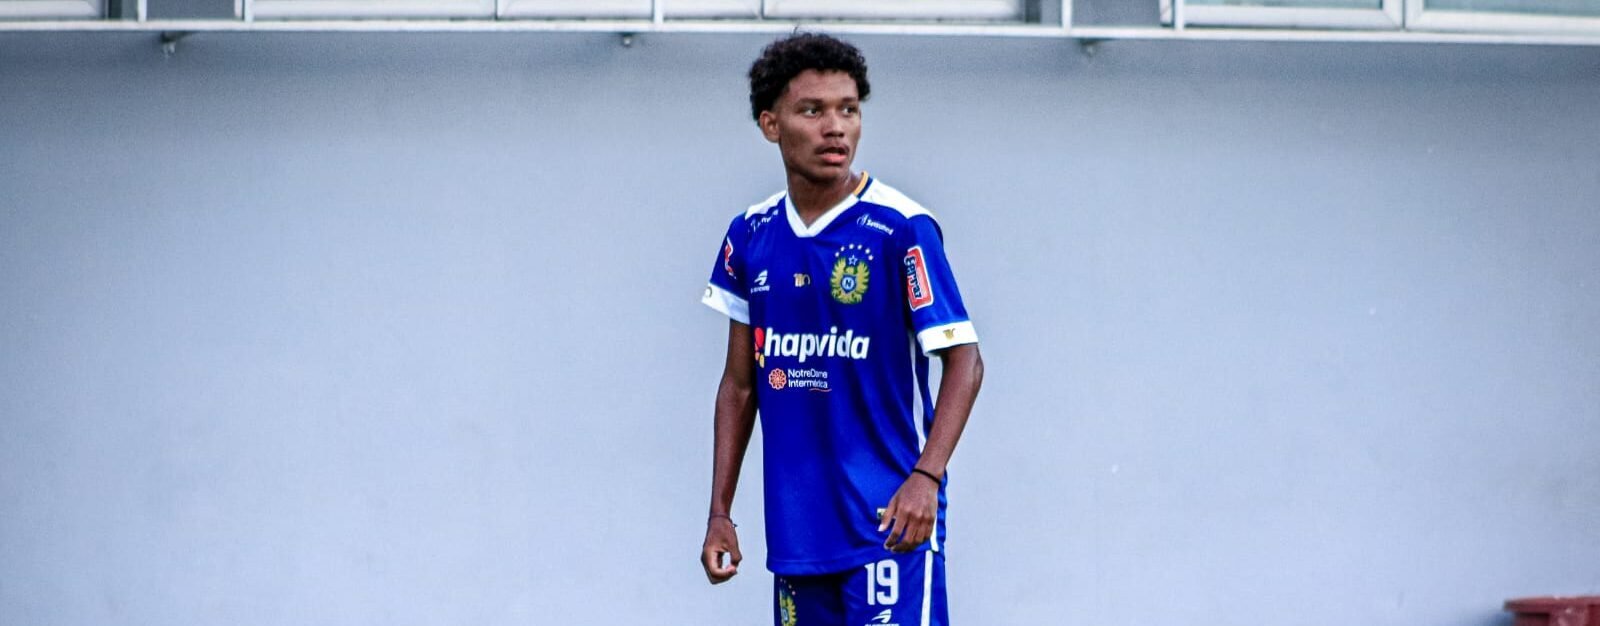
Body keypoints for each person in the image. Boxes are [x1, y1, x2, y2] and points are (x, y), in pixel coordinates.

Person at [698, 33, 984, 626]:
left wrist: (926, 478)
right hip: (798, 537)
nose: (836, 128)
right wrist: (719, 511)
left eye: (848, 110)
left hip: (891, 525)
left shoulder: (901, 228)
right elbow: (740, 385)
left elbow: (965, 361)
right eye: (813, 111)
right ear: (770, 124)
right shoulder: (750, 235)